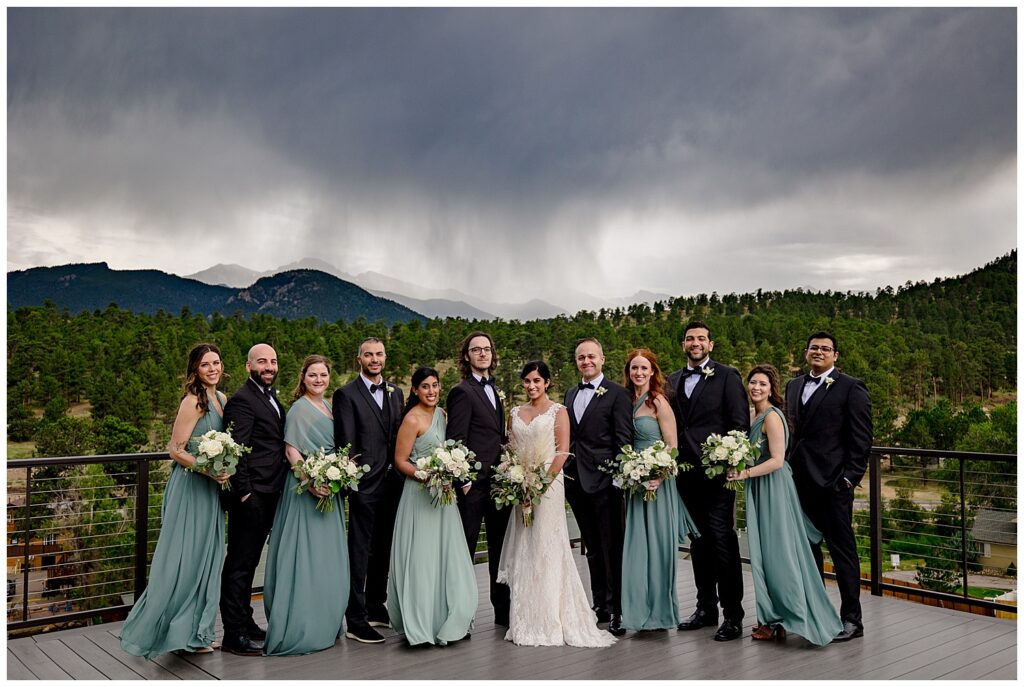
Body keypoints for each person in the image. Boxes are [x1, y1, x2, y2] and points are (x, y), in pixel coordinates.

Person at [120, 343, 230, 658]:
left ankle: (198, 632)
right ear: (195, 369)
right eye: (205, 364)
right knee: (185, 559)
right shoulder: (193, 401)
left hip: (211, 491)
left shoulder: (222, 399)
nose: (212, 369)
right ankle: (171, 632)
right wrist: (208, 469)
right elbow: (176, 450)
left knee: (208, 559)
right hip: (191, 488)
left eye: (216, 363)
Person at [497, 361, 616, 648]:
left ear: (547, 382)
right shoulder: (515, 412)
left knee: (547, 545)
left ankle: (552, 616)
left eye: (537, 380)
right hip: (522, 486)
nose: (531, 386)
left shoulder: (558, 411)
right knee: (525, 546)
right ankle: (526, 617)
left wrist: (540, 485)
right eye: (527, 381)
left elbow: (562, 452)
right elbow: (510, 450)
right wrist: (516, 480)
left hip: (548, 487)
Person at [726, 364, 842, 645]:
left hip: (773, 489)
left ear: (771, 389)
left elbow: (777, 460)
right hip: (758, 488)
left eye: (762, 384)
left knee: (779, 554)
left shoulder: (772, 417)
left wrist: (744, 473)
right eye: (753, 382)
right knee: (764, 555)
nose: (756, 388)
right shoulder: (752, 415)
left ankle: (789, 615)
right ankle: (772, 618)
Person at [785, 332, 873, 642]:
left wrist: (849, 479)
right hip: (798, 484)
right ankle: (817, 614)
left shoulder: (851, 387)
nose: (819, 352)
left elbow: (862, 438)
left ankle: (852, 620)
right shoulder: (793, 385)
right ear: (806, 352)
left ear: (835, 355)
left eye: (825, 348)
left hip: (834, 485)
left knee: (842, 552)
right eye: (814, 347)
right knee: (808, 554)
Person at [667, 321, 749, 641]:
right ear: (683, 344)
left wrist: (731, 460)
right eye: (690, 338)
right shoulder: (672, 380)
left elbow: (739, 423)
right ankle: (705, 608)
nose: (695, 343)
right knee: (698, 543)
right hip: (684, 476)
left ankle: (733, 615)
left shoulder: (728, 376)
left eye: (701, 338)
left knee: (722, 541)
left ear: (711, 344)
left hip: (718, 476)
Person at [263, 355, 350, 655]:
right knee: (303, 555)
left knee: (325, 558)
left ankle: (324, 618)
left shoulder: (328, 406)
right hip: (304, 490)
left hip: (329, 488)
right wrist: (310, 482)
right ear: (303, 378)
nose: (318, 380)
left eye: (323, 375)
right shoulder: (300, 408)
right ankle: (300, 623)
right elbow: (291, 451)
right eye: (313, 375)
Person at [387, 367, 477, 646]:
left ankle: (450, 619)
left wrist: (450, 473)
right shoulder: (412, 419)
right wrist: (426, 476)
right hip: (419, 496)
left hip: (444, 499)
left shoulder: (442, 415)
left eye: (435, 385)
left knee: (447, 558)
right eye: (425, 386)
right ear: (415, 390)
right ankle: (421, 625)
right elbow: (400, 461)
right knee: (422, 560)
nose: (432, 391)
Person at [620, 349, 699, 632]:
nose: (639, 373)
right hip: (634, 484)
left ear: (653, 371)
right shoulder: (625, 401)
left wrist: (658, 476)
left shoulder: (659, 402)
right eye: (634, 368)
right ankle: (636, 611)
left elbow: (672, 446)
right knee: (636, 548)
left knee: (657, 547)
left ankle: (660, 613)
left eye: (644, 368)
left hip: (657, 485)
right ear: (628, 372)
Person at [333, 337, 405, 644]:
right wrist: (354, 482)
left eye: (379, 354)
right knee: (359, 551)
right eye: (368, 355)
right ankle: (356, 618)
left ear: (385, 357)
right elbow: (346, 442)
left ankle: (376, 604)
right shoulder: (346, 394)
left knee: (383, 547)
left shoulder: (396, 392)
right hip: (364, 484)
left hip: (393, 483)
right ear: (359, 359)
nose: (374, 359)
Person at [220, 343, 288, 656]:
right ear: (249, 366)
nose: (269, 366)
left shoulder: (269, 396)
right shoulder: (242, 401)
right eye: (262, 361)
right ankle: (233, 634)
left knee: (250, 563)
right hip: (252, 495)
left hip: (270, 491)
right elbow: (236, 450)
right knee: (239, 564)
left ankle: (245, 622)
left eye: (273, 361)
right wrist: (245, 492)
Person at [563, 337, 633, 636]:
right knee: (591, 546)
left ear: (602, 359)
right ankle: (600, 604)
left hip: (606, 482)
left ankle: (618, 609)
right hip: (576, 481)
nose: (586, 361)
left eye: (591, 356)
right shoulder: (570, 393)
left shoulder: (618, 394)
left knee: (612, 547)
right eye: (581, 357)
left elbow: (623, 438)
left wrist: (618, 478)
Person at [447, 331, 511, 627]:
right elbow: (456, 440)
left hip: (498, 485)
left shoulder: (495, 389)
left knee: (500, 550)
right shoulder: (462, 391)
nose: (483, 353)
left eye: (487, 349)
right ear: (467, 356)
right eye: (476, 350)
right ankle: (460, 616)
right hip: (472, 487)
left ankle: (503, 612)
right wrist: (464, 481)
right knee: (466, 551)